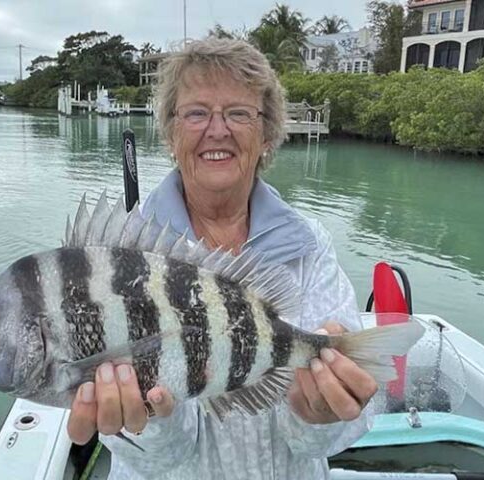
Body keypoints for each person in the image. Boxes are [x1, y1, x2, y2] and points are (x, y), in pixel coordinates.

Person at [66, 38, 377, 479]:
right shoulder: (121, 261)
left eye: (238, 113)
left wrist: (318, 414)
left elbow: (326, 438)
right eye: (196, 113)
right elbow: (161, 458)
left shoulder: (308, 247)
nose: (217, 130)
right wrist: (147, 422)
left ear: (267, 135)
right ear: (171, 133)